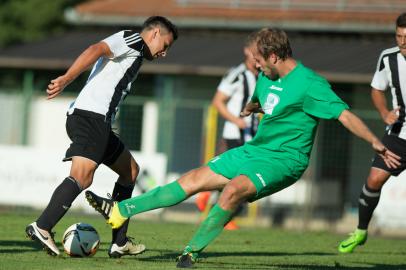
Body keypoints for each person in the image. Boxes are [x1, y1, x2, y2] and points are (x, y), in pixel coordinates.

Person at [85, 28, 400, 268]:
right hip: (254, 149)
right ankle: (118, 211)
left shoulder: (311, 85)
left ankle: (190, 253)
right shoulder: (266, 77)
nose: (257, 69)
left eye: (260, 63)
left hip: (285, 161)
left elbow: (345, 115)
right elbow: (266, 99)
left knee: (233, 190)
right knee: (193, 179)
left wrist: (375, 141)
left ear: (275, 57)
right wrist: (252, 107)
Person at [25, 16, 178, 257]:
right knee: (81, 178)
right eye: (166, 45)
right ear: (155, 33)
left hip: (98, 123)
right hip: (91, 119)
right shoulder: (132, 39)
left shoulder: (136, 52)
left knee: (130, 172)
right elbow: (96, 49)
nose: (164, 53)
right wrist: (67, 78)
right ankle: (42, 226)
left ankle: (119, 242)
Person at [338, 12, 406, 254]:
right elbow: (377, 89)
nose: (403, 42)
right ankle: (361, 230)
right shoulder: (388, 58)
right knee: (375, 178)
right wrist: (384, 112)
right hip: (400, 132)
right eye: (399, 36)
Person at [195, 33, 259, 230]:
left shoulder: (262, 75)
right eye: (256, 50)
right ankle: (209, 194)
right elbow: (217, 101)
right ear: (247, 51)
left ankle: (216, 204)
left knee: (242, 179)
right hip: (235, 133)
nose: (259, 55)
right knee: (238, 177)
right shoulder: (237, 74)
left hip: (251, 134)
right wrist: (237, 120)